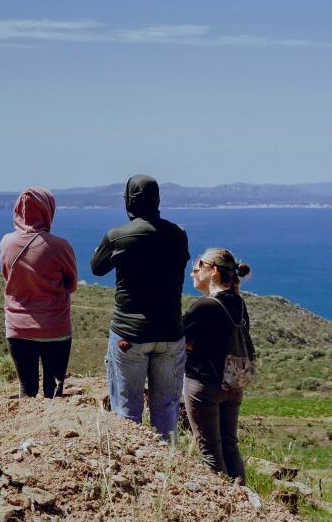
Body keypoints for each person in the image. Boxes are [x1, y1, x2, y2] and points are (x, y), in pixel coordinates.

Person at [91, 174, 190, 441]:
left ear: (129, 201)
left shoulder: (117, 237)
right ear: (157, 200)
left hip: (129, 334)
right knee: (167, 411)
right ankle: (168, 470)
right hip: (170, 333)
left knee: (127, 411)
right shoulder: (178, 235)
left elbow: (96, 267)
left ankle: (133, 472)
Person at [0, 188, 77, 399]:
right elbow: (71, 285)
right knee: (55, 390)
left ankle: (26, 431)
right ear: (48, 210)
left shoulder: (6, 243)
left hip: (18, 328)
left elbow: (8, 276)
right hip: (55, 328)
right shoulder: (61, 246)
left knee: (26, 390)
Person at [184, 248, 254, 483]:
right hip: (234, 384)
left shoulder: (203, 307)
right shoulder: (239, 303)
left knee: (210, 451)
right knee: (230, 446)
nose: (193, 271)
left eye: (198, 266)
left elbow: (177, 340)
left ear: (213, 271)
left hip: (204, 386)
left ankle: (224, 504)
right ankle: (245, 501)